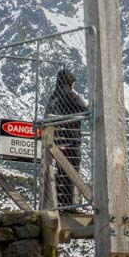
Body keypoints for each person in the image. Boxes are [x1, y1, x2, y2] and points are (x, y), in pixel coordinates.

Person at [44, 67, 88, 208]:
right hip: (71, 138)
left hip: (57, 139)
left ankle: (59, 203)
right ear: (70, 82)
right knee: (71, 172)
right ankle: (68, 205)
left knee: (60, 172)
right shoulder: (70, 94)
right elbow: (85, 111)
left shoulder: (54, 95)